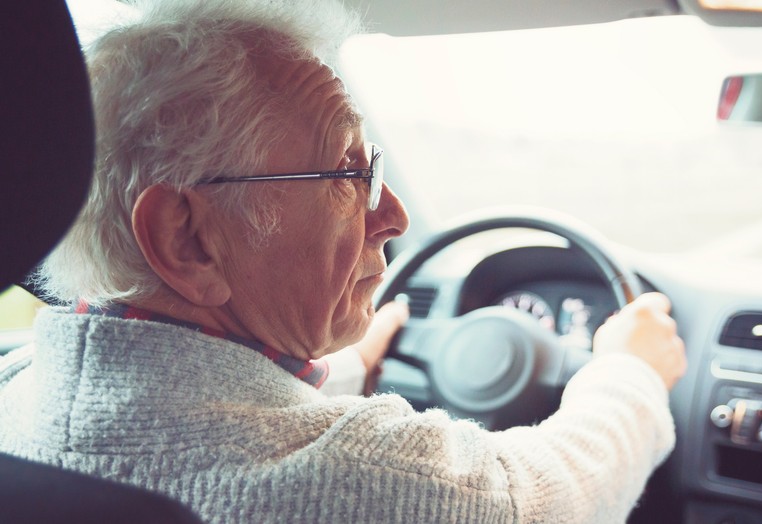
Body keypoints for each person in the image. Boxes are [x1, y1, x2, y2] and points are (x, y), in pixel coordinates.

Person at [0, 0, 686, 522]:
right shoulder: (372, 476)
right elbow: (553, 492)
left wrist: (351, 367)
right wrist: (629, 373)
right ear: (187, 238)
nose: (392, 217)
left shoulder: (16, 386)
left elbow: (183, 409)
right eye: (344, 174)